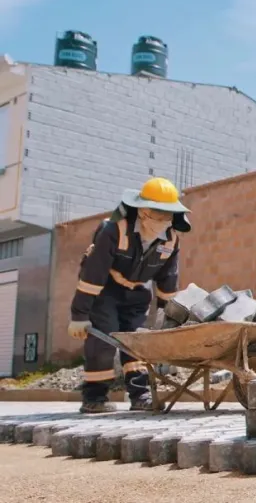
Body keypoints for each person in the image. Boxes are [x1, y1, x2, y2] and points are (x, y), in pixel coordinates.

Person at [68, 177, 191, 413]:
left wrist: (168, 321)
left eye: (168, 214)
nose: (163, 220)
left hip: (137, 292)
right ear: (143, 211)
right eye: (158, 213)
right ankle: (94, 398)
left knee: (136, 344)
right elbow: (93, 275)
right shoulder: (113, 229)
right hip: (105, 290)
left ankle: (140, 396)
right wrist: (79, 315)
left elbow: (168, 282)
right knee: (104, 338)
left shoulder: (171, 238)